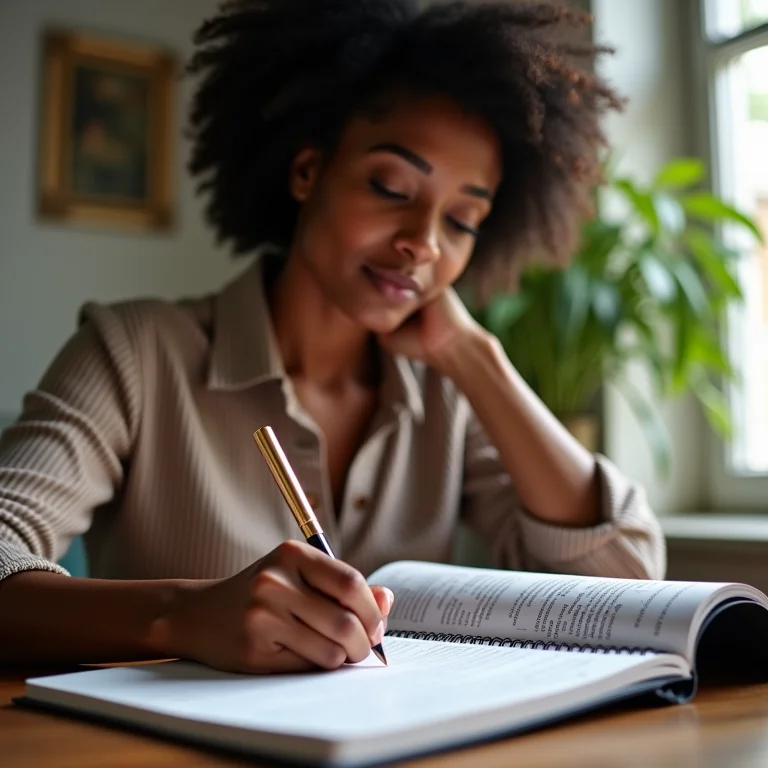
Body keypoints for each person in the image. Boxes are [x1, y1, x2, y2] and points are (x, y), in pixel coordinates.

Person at [0, 0, 664, 674]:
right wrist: (181, 615)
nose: (423, 244)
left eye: (463, 221)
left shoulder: (448, 393)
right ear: (307, 171)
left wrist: (473, 356)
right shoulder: (134, 353)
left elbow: (631, 587)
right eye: (389, 185)